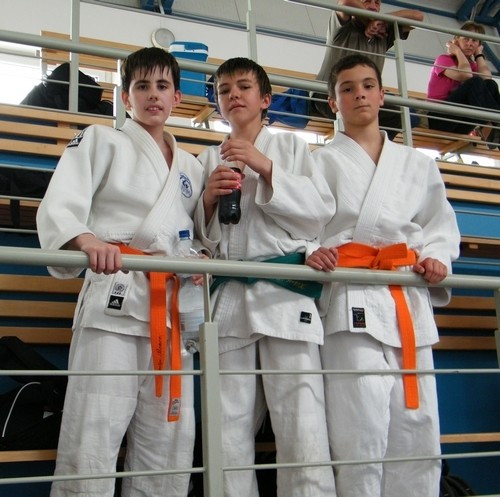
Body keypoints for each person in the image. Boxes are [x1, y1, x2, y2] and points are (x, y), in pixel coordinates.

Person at [36, 47, 205, 497]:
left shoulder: (191, 167)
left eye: (162, 86)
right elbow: (60, 204)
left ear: (177, 97)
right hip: (116, 293)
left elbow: (196, 234)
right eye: (142, 86)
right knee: (94, 429)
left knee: (168, 439)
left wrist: (199, 258)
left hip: (171, 309)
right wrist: (85, 239)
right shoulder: (99, 140)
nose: (153, 95)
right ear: (126, 97)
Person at [306, 54, 460, 497]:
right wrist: (313, 251)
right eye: (347, 88)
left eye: (367, 85)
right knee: (359, 424)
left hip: (406, 292)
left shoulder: (417, 163)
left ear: (382, 95)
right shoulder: (319, 162)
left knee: (418, 422)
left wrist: (436, 257)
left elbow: (439, 225)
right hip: (350, 294)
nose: (359, 94)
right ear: (334, 102)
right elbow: (304, 226)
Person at [194, 57, 337, 497]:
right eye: (223, 90)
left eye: (243, 87)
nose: (233, 95)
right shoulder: (206, 158)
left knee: (302, 422)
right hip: (228, 300)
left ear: (265, 99)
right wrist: (208, 202)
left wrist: (265, 166)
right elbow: (195, 238)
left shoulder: (293, 149)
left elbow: (318, 214)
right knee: (225, 426)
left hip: (285, 296)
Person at [313, 0, 423, 139]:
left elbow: (418, 16)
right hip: (328, 94)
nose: (373, 6)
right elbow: (345, 2)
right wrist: (370, 19)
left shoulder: (383, 32)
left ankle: (372, 148)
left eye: (377, 3)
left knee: (401, 115)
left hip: (363, 96)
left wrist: (382, 20)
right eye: (367, 1)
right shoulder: (343, 26)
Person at [427, 20, 500, 149]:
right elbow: (465, 75)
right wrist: (457, 51)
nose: (470, 43)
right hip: (439, 118)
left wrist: (479, 54)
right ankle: (495, 124)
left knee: (491, 84)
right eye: (466, 38)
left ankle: (495, 126)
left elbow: (487, 78)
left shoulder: (473, 66)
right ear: (456, 40)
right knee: (475, 81)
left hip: (461, 123)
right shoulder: (443, 59)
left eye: (475, 40)